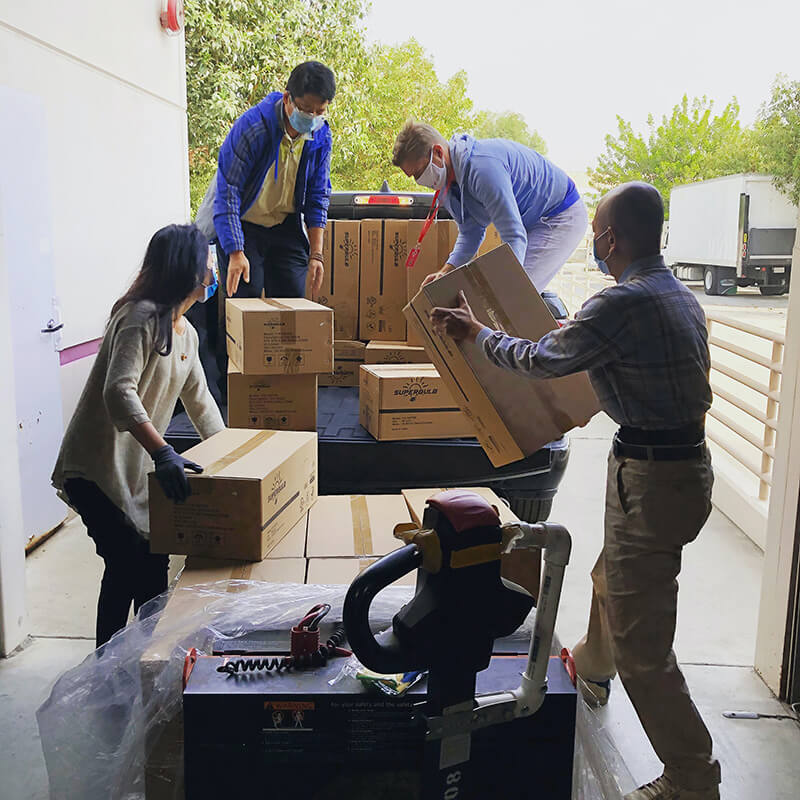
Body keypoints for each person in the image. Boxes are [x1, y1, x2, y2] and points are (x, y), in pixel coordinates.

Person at [429, 182, 720, 800]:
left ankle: (693, 779)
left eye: (597, 231)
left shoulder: (620, 306)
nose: (593, 239)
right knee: (610, 577)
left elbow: (538, 361)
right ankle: (593, 665)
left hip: (653, 477)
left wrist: (474, 332)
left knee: (647, 649)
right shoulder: (675, 296)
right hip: (679, 470)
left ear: (611, 239)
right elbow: (610, 349)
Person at [52, 224, 225, 648]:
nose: (213, 269)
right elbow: (118, 390)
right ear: (188, 269)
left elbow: (201, 403)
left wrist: (236, 461)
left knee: (151, 567)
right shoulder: (140, 317)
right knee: (126, 564)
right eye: (208, 261)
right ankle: (107, 670)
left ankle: (147, 662)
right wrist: (164, 451)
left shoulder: (186, 333)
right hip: (94, 469)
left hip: (134, 472)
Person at [392, 121, 587, 291]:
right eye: (413, 177)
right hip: (531, 220)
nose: (419, 180)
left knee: (517, 296)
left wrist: (501, 291)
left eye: (419, 172)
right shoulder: (449, 187)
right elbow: (471, 233)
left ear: (437, 152)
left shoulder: (482, 169)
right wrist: (445, 272)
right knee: (508, 298)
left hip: (559, 214)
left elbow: (514, 236)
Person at [213, 60, 335, 302]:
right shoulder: (253, 127)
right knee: (244, 302)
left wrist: (316, 254)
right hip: (245, 225)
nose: (312, 118)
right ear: (287, 97)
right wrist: (236, 251)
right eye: (306, 110)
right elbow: (228, 191)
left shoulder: (321, 136)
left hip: (285, 226)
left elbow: (318, 195)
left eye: (320, 112)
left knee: (294, 302)